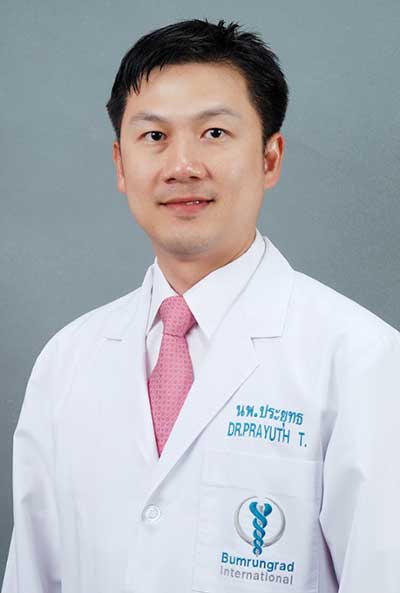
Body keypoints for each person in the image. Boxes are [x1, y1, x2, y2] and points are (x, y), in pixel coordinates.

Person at [1, 17, 399, 593]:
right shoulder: (66, 362)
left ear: (269, 158)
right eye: (154, 136)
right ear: (120, 164)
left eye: (214, 132)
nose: (182, 166)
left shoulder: (361, 359)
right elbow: (30, 577)